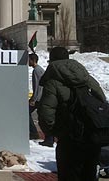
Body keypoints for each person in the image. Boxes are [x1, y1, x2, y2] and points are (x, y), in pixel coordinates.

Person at [38, 47, 106, 181]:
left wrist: (55, 132)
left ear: (51, 61)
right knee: (89, 174)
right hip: (92, 136)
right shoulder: (87, 78)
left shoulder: (53, 83)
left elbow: (46, 114)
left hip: (69, 139)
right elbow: (102, 101)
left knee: (69, 175)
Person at [28, 53, 54, 146]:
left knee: (26, 112)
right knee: (43, 118)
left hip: (39, 98)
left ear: (33, 60)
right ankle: (48, 138)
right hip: (41, 97)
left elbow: (38, 86)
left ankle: (33, 132)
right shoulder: (39, 70)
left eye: (29, 60)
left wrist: (33, 99)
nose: (28, 62)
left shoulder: (36, 71)